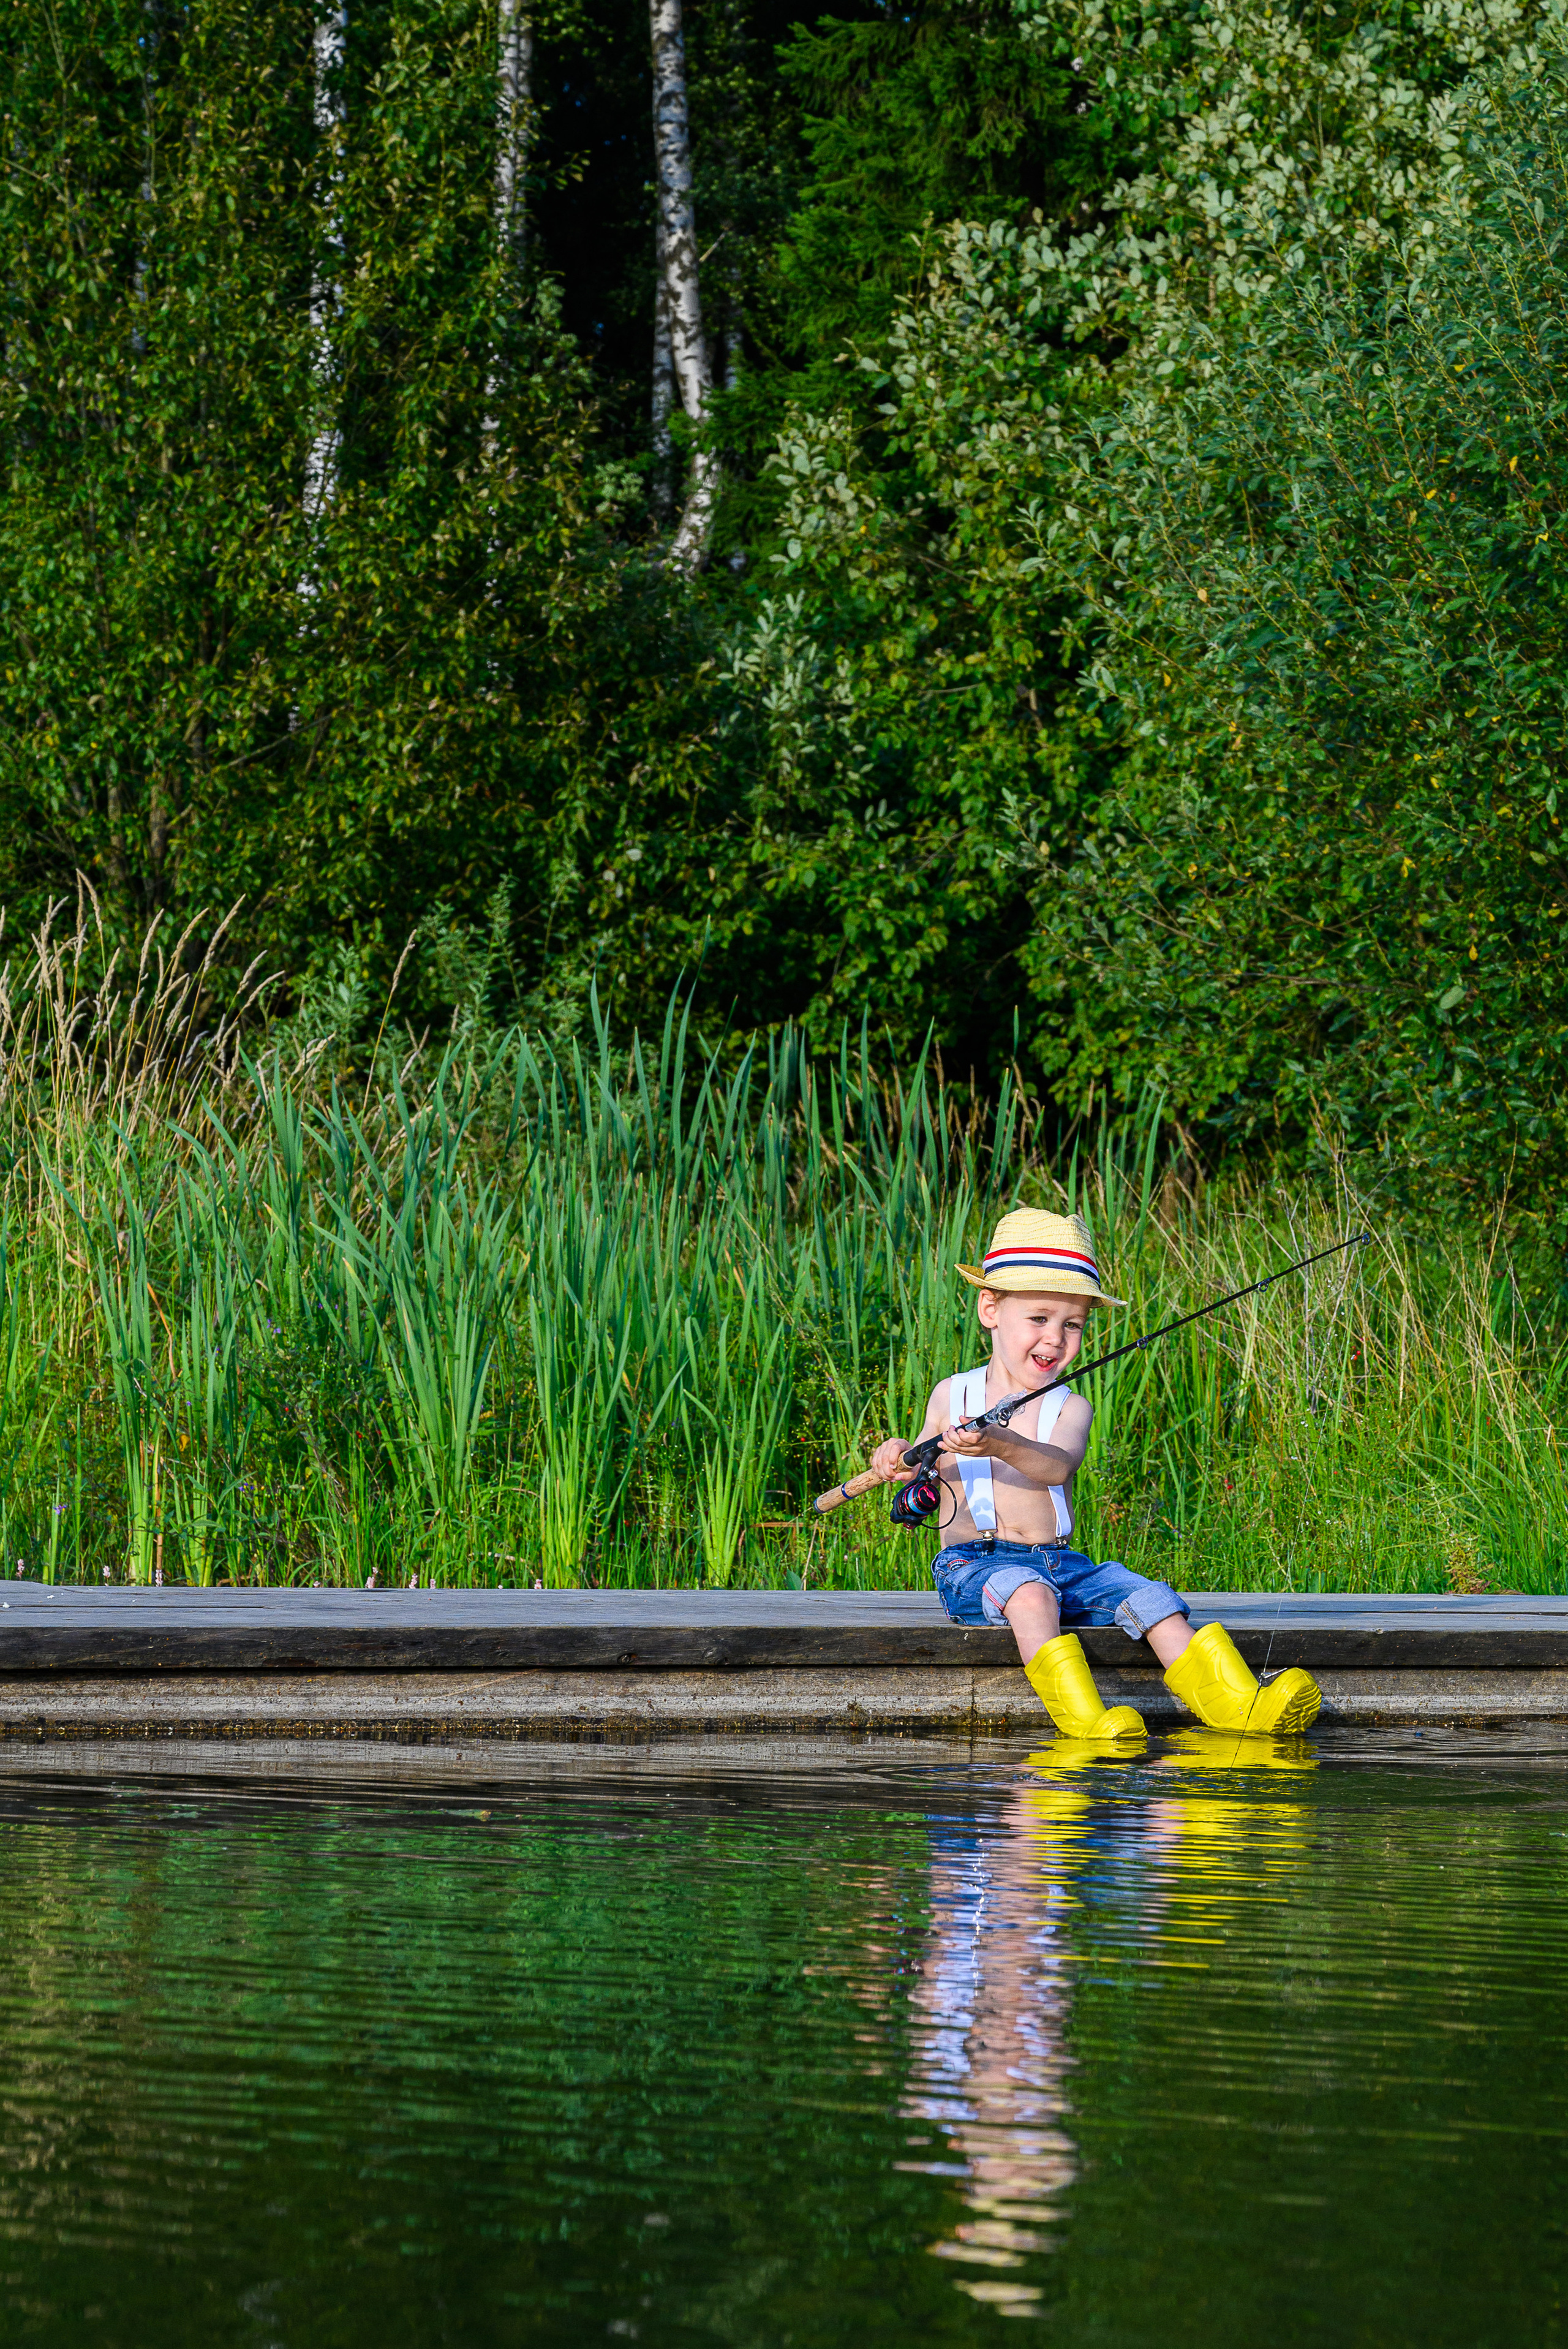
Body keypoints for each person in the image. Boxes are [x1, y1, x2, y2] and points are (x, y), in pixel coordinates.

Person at [867, 1208, 1321, 1745]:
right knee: (1030, 1595)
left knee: (1152, 1598)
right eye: (1040, 1318)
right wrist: (896, 1456)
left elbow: (1056, 1465)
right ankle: (1085, 1721)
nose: (1055, 1338)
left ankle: (1240, 1706)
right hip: (974, 1567)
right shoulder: (952, 1393)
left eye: (1073, 1325)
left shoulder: (1070, 1407)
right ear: (991, 1309)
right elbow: (920, 1462)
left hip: (1061, 1563)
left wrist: (1001, 1442)